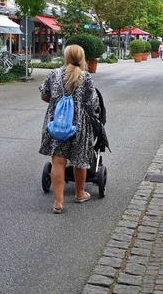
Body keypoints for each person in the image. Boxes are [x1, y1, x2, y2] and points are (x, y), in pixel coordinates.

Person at [38, 44, 100, 214]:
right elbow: (92, 103)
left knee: (58, 161)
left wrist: (57, 103)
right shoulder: (85, 77)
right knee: (79, 160)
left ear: (65, 57)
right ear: (82, 58)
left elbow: (44, 95)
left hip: (57, 123)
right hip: (79, 125)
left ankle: (58, 202)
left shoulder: (54, 74)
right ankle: (80, 194)